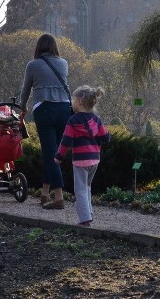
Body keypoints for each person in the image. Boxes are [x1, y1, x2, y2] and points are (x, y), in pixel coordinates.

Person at [19, 33, 72, 209]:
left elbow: (26, 89)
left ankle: (58, 198)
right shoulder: (63, 63)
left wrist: (22, 107)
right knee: (54, 153)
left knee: (50, 154)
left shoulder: (33, 65)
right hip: (64, 109)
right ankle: (44, 193)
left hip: (45, 109)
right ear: (54, 47)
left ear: (38, 47)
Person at [54, 85, 110, 226]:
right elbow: (105, 137)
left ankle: (85, 219)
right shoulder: (97, 120)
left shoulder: (73, 121)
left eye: (72, 100)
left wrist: (58, 157)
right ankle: (89, 212)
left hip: (80, 161)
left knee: (80, 190)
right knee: (87, 187)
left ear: (79, 102)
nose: (71, 103)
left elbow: (65, 142)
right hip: (94, 160)